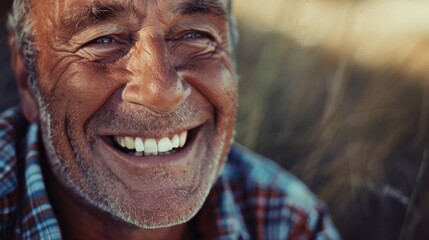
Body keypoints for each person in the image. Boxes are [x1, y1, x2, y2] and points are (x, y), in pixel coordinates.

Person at [0, 0, 339, 239]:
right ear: (27, 80)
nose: (161, 92)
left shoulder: (285, 221)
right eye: (101, 40)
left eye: (195, 34)